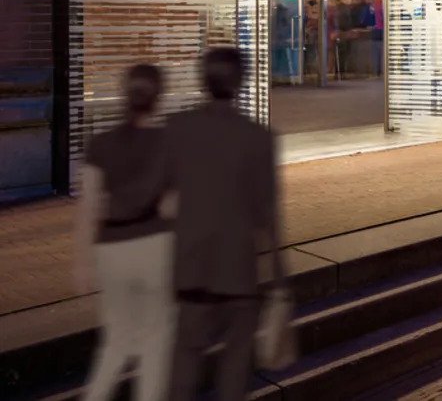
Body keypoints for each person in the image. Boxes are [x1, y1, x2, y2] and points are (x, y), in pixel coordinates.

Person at [167, 46, 285, 401]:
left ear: (202, 81)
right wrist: (279, 275)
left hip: (191, 268)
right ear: (241, 82)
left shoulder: (178, 129)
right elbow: (268, 214)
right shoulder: (258, 138)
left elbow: (161, 199)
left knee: (185, 362)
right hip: (238, 270)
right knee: (235, 368)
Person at [75, 63, 174, 401]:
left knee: (115, 341)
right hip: (155, 247)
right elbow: (171, 208)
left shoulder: (100, 144)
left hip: (111, 250)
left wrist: (82, 262)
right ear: (158, 99)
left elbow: (89, 207)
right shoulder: (166, 143)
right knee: (155, 340)